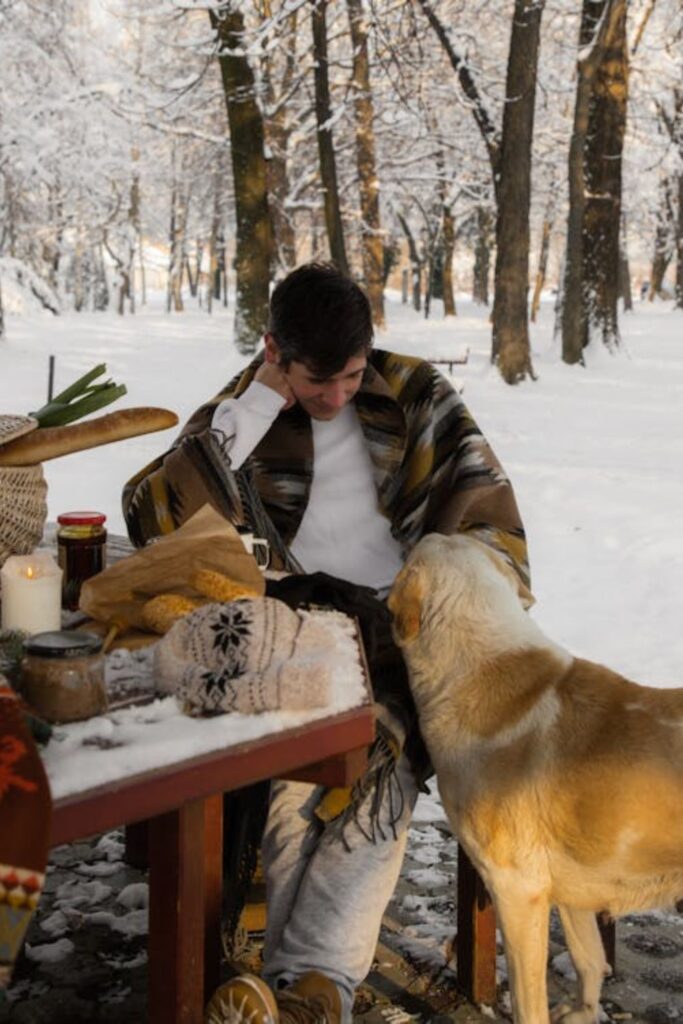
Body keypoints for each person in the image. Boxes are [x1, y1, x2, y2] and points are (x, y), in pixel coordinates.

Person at [123, 262, 529, 1024]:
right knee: (291, 784)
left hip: (406, 638)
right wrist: (255, 410)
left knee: (378, 778)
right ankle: (311, 992)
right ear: (274, 352)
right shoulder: (244, 410)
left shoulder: (411, 393)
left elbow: (488, 517)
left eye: (350, 375)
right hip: (293, 634)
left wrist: (437, 602)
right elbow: (153, 516)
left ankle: (307, 989)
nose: (338, 396)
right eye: (318, 380)